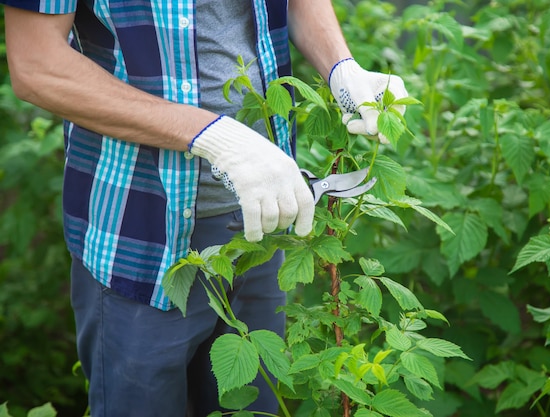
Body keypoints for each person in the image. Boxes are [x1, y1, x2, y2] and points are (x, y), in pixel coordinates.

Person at [1, 1, 408, 416]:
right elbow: (37, 65)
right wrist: (209, 134)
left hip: (264, 227)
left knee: (253, 404)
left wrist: (341, 66)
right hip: (138, 232)